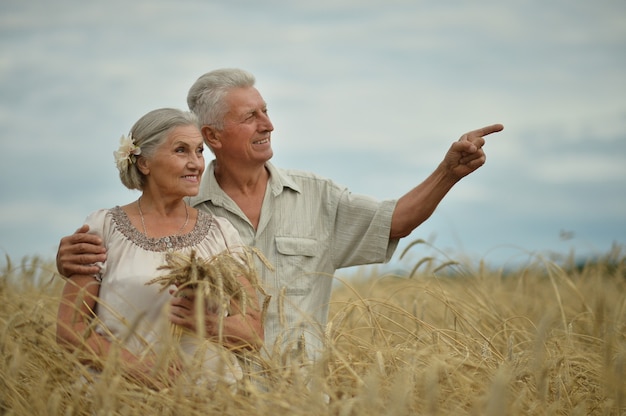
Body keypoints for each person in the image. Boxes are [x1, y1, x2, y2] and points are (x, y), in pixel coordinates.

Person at [56, 69, 504, 363]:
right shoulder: (180, 206)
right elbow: (121, 265)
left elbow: (396, 221)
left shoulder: (317, 196)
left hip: (299, 398)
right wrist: (74, 263)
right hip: (207, 399)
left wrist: (448, 173)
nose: (268, 124)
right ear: (212, 134)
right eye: (251, 116)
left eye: (266, 111)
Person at [55, 108, 264, 389]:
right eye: (181, 151)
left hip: (210, 401)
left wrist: (207, 324)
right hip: (119, 401)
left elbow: (254, 334)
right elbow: (70, 328)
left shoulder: (222, 233)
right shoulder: (103, 227)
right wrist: (137, 368)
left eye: (199, 152)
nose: (196, 164)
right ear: (144, 164)